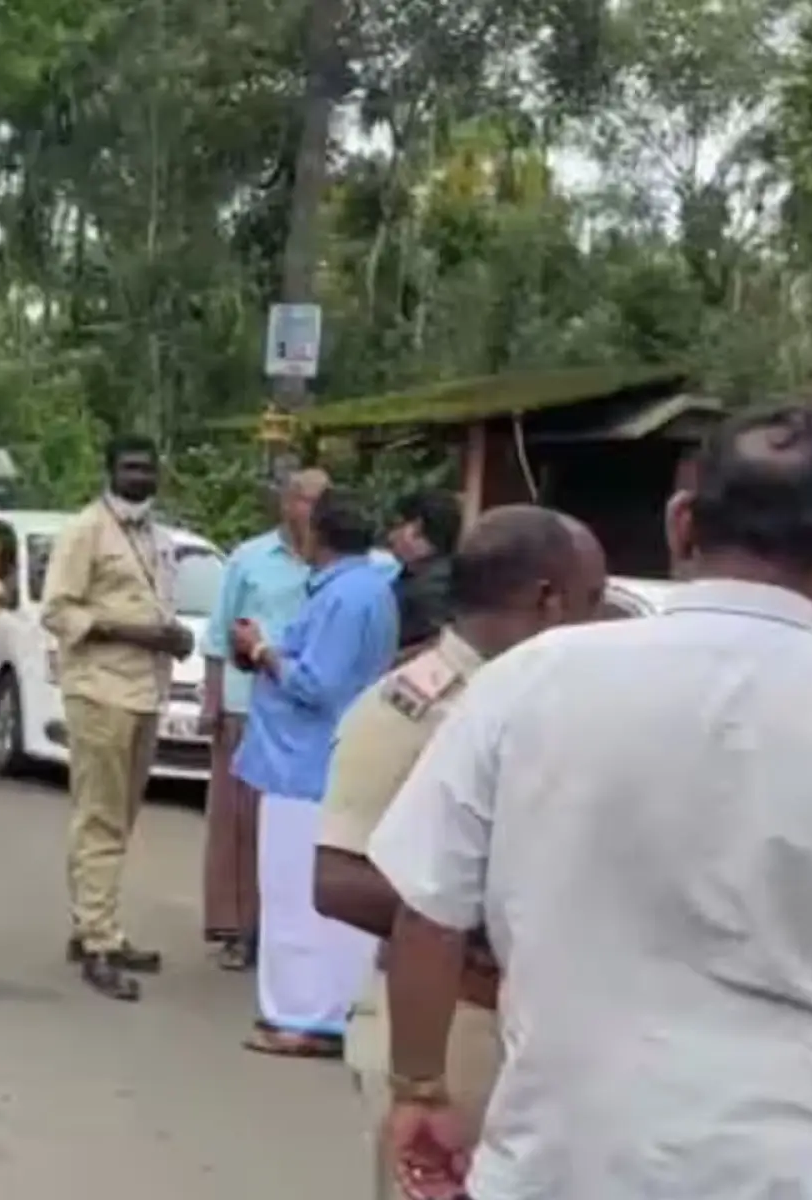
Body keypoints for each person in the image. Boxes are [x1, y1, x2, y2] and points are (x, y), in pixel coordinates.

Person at [371, 405, 812, 1200]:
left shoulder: (527, 679)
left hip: (555, 1157)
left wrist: (418, 1086)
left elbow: (425, 911)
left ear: (680, 524)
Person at [313, 507, 607, 1200]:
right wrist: (488, 917)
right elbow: (336, 878)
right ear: (546, 599)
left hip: (537, 1027)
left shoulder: (561, 700)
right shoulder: (410, 707)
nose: (601, 624)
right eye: (592, 601)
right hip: (451, 1030)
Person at [228, 485, 398, 1055]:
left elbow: (315, 684)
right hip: (330, 759)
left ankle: (302, 1017)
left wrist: (260, 650)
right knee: (322, 902)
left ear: (316, 534)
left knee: (294, 900)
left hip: (305, 763)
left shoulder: (343, 597)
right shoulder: (371, 588)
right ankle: (328, 1010)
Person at [40, 433, 192, 1001]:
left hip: (147, 691)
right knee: (100, 818)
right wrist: (139, 633)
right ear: (109, 472)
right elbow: (59, 611)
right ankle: (99, 942)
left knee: (119, 819)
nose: (139, 478)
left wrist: (168, 639)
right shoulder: (85, 531)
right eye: (129, 468)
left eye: (147, 469)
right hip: (100, 691)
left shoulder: (158, 535)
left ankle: (93, 924)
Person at [200, 467, 329, 972]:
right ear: (285, 504)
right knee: (238, 822)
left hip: (305, 708)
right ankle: (237, 928)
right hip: (244, 702)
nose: (312, 512)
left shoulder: (340, 566)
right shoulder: (249, 559)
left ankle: (286, 928)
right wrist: (212, 702)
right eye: (304, 500)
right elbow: (217, 633)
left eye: (322, 502)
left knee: (293, 825)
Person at [387, 489, 463, 656]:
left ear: (417, 531)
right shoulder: (415, 575)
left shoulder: (434, 588)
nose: (391, 536)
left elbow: (438, 644)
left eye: (397, 525)